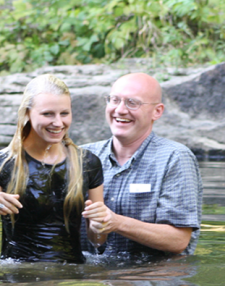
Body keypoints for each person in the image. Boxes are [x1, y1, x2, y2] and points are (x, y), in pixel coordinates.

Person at [0, 74, 108, 263]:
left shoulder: (87, 163)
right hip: (20, 275)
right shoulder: (4, 163)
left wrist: (99, 226)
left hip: (71, 275)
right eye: (48, 114)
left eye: (64, 113)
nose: (58, 122)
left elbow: (96, 240)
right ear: (27, 113)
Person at [81, 72, 203, 257]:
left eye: (132, 103)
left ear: (157, 111)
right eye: (114, 100)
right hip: (91, 276)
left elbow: (179, 240)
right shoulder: (82, 156)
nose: (120, 110)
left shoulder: (174, 158)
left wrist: (117, 223)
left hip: (152, 276)